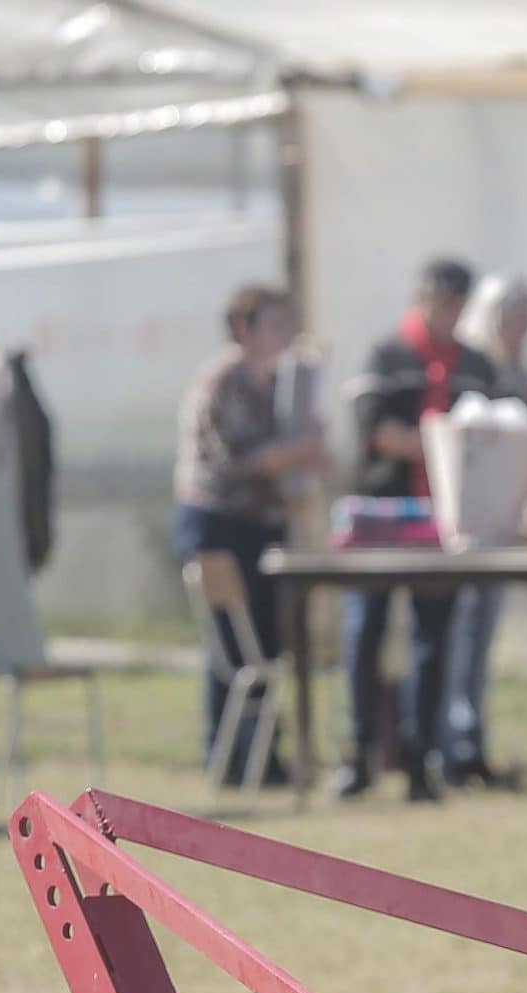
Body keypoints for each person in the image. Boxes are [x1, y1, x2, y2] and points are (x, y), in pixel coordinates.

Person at [336, 257, 500, 803]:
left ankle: (420, 755)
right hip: (384, 517)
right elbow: (371, 428)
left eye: (458, 304)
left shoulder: (474, 365)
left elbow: (492, 431)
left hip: (443, 523)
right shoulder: (387, 355)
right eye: (441, 301)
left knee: (432, 639)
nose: (448, 313)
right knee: (366, 631)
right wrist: (434, 444)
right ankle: (359, 752)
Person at [173, 283, 327, 782]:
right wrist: (299, 449)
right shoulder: (223, 381)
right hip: (220, 526)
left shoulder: (271, 384)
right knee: (232, 648)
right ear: (244, 328)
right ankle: (229, 757)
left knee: (266, 644)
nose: (284, 334)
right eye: (274, 323)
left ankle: (264, 756)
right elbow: (237, 457)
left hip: (262, 527)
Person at [440, 272, 527, 789]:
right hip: (463, 529)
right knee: (456, 635)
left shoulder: (525, 377)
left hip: (503, 527)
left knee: (481, 639)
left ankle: (470, 738)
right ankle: (450, 743)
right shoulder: (470, 370)